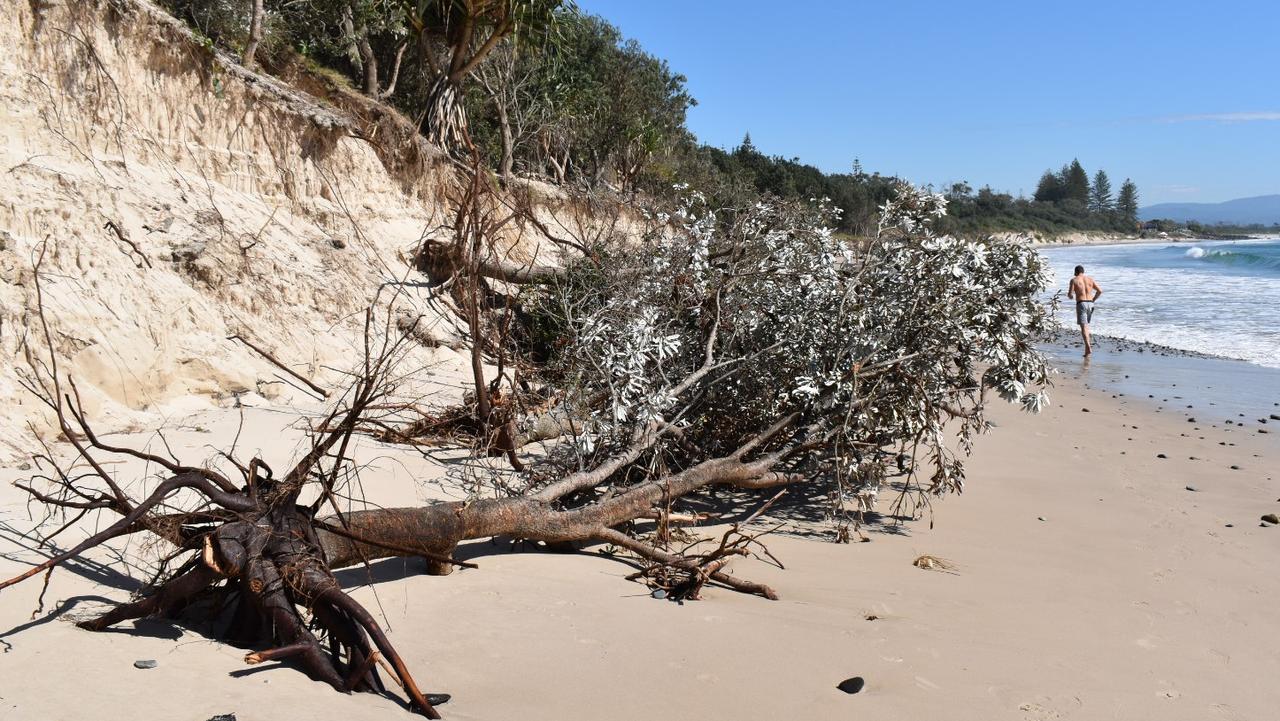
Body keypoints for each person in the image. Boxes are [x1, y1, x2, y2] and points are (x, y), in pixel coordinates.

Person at [1067, 265, 1102, 356]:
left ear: (1075, 272)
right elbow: (1100, 291)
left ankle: (1088, 347)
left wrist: (1070, 296)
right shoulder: (1090, 279)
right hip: (1091, 303)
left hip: (1081, 303)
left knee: (1084, 327)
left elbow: (1070, 295)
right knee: (1087, 326)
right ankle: (1087, 349)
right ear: (1083, 271)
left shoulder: (1074, 280)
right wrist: (1093, 299)